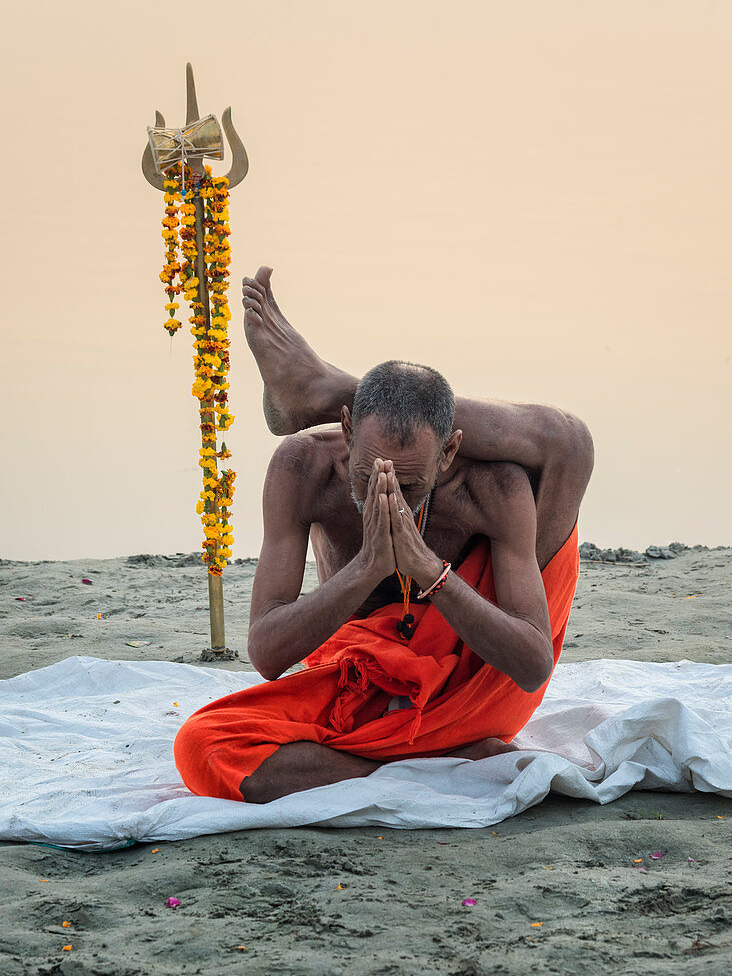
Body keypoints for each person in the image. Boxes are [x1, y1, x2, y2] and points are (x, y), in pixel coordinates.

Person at [174, 267, 594, 804]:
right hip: (361, 680)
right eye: (366, 472)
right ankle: (432, 765)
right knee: (203, 745)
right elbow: (267, 652)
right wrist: (365, 569)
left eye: (412, 481)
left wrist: (431, 574)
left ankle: (322, 387)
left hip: (470, 693)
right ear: (346, 430)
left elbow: (532, 666)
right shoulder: (304, 470)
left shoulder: (492, 488)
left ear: (449, 452)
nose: (387, 490)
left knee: (571, 444)